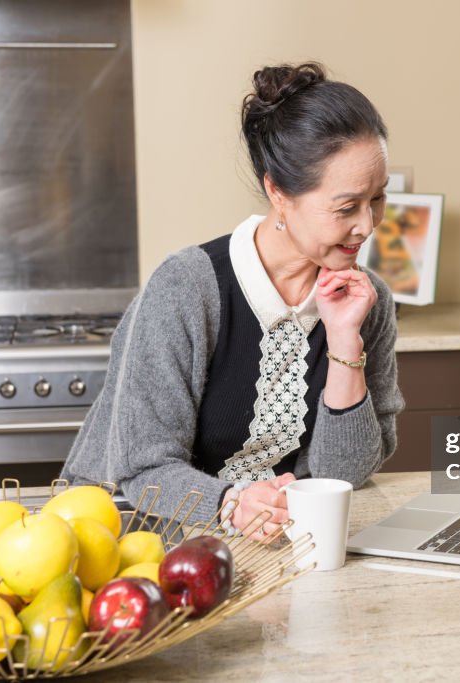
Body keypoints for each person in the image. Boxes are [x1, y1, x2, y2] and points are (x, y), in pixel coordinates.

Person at [60, 62, 404, 539]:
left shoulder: (367, 302)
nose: (368, 225)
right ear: (278, 192)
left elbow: (342, 476)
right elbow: (142, 468)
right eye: (346, 208)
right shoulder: (187, 288)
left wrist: (346, 342)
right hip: (123, 534)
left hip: (264, 543)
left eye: (378, 199)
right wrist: (233, 504)